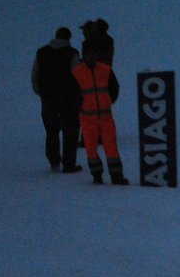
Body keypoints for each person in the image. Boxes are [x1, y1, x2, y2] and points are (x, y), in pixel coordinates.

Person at [72, 49, 128, 185]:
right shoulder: (77, 72)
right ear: (84, 56)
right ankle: (97, 175)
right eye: (88, 55)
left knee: (111, 146)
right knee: (91, 147)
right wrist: (80, 106)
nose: (91, 57)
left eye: (93, 54)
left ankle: (116, 176)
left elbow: (114, 87)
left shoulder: (105, 70)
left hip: (105, 116)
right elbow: (72, 92)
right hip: (87, 117)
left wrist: (108, 101)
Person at [32, 27, 82, 173]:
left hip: (48, 96)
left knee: (51, 130)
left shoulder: (42, 52)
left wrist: (39, 91)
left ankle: (54, 161)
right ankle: (69, 163)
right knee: (70, 130)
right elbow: (78, 75)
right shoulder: (72, 53)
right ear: (69, 38)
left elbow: (35, 73)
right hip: (68, 96)